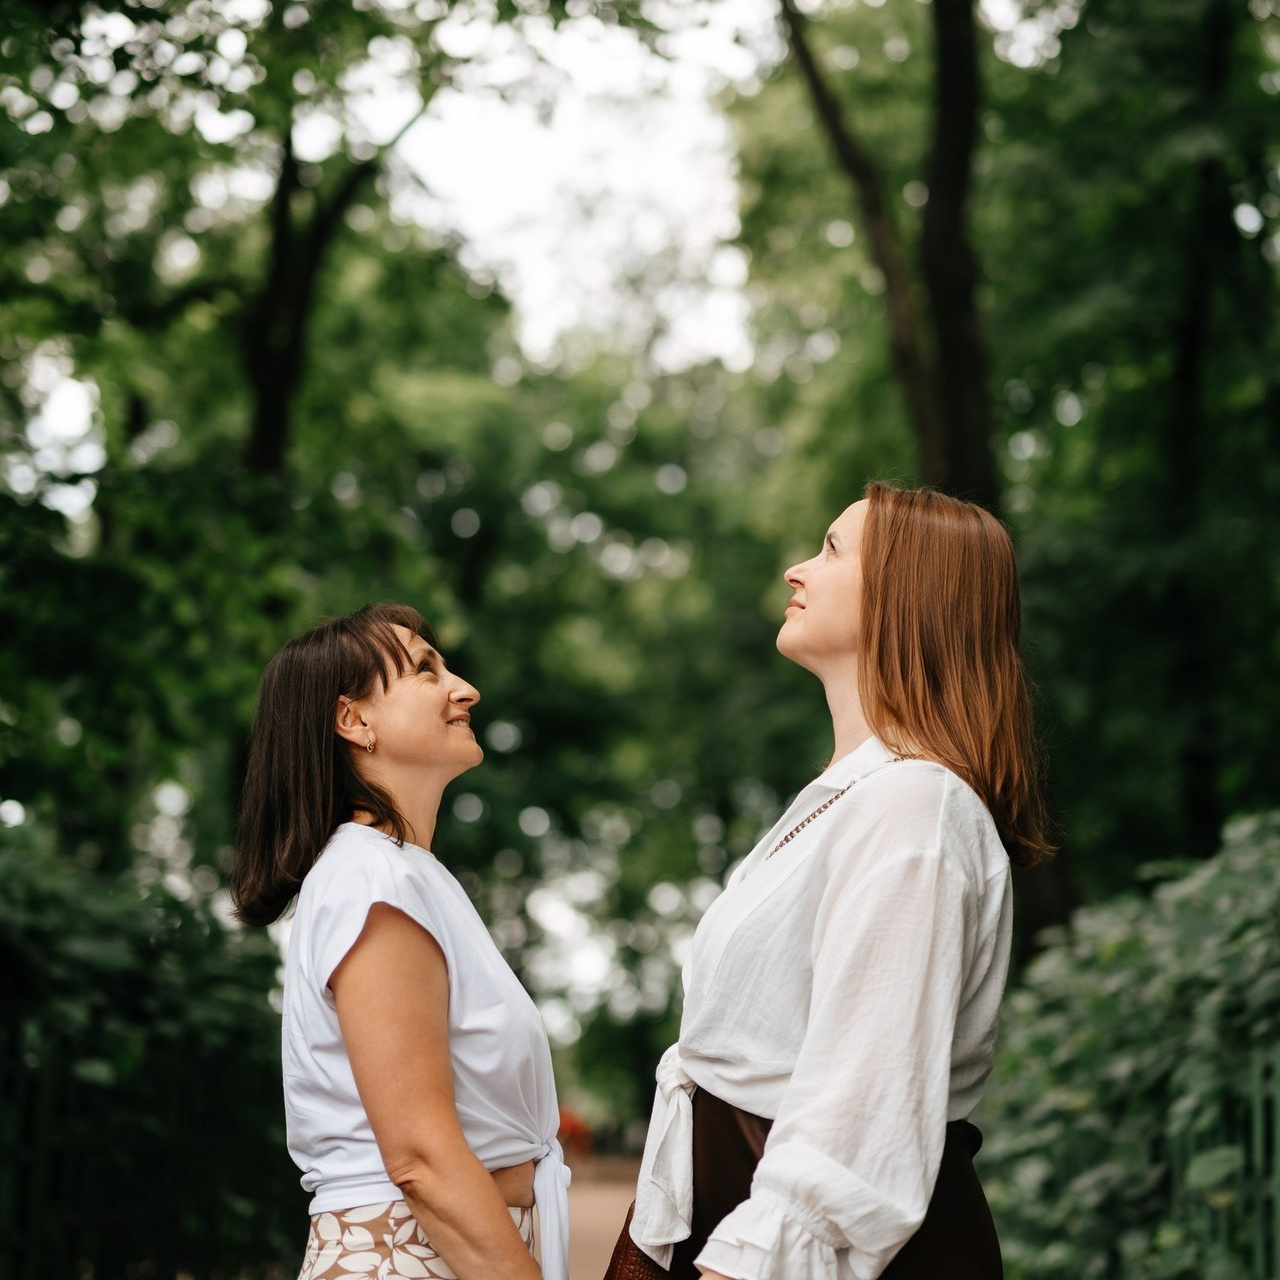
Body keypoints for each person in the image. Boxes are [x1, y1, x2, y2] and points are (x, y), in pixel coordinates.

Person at [625, 482, 1051, 1280]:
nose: (796, 569)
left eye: (828, 549)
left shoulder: (914, 805)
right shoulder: (853, 797)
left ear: (905, 593)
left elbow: (857, 1114)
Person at [230, 603, 568, 1280]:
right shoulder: (369, 877)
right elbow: (418, 1157)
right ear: (354, 720)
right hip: (405, 1259)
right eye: (424, 669)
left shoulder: (405, 872)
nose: (464, 689)